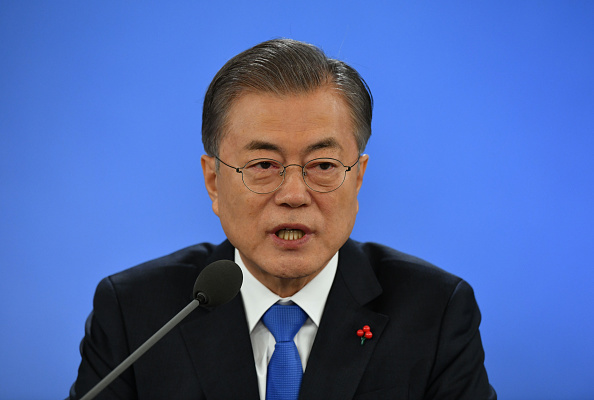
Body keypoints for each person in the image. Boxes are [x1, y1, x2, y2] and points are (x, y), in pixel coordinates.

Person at [69, 38, 496, 400]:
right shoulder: (136, 312)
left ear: (359, 178)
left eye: (324, 165)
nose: (294, 195)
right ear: (214, 181)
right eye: (263, 165)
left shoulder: (435, 311)